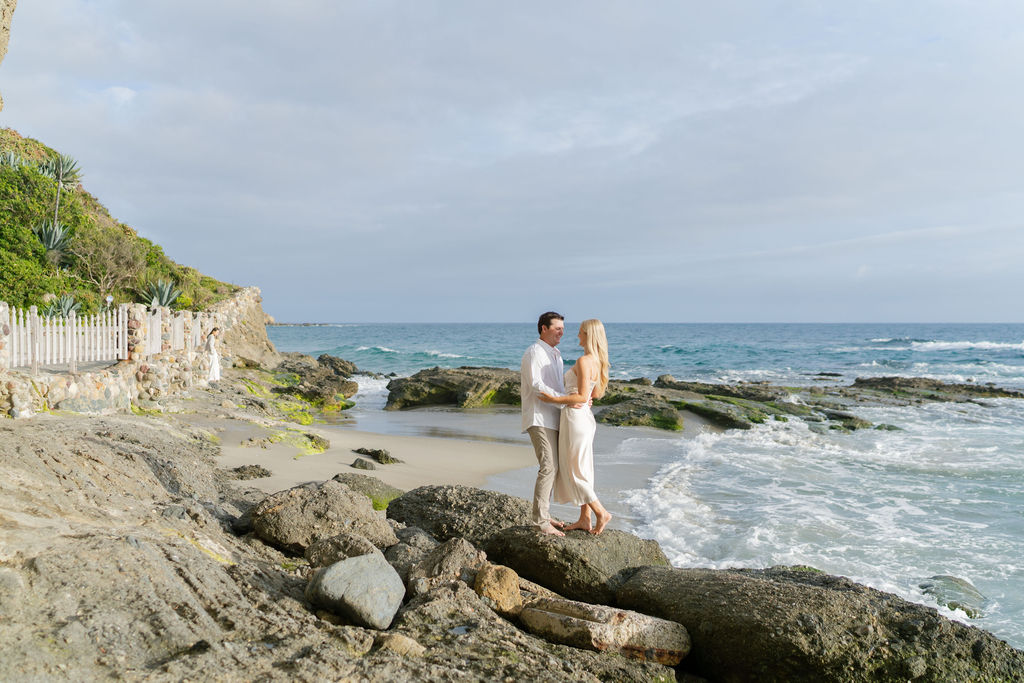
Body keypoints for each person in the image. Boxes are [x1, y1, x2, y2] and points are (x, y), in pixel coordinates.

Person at [540, 318, 613, 535]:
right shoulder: (598, 362)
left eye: (580, 332)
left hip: (574, 417)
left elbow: (581, 396)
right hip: (585, 418)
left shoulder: (583, 361)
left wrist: (552, 399)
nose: (577, 335)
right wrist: (584, 396)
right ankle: (584, 518)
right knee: (584, 468)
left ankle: (601, 512)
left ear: (588, 336)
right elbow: (595, 394)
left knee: (574, 471)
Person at [521, 311, 568, 536]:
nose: (561, 332)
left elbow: (559, 386)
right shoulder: (534, 352)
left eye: (562, 328)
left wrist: (574, 398)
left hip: (555, 417)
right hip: (538, 417)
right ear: (543, 328)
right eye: (557, 328)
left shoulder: (556, 355)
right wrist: (563, 401)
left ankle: (545, 514)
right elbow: (536, 386)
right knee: (548, 466)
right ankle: (540, 521)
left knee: (555, 468)